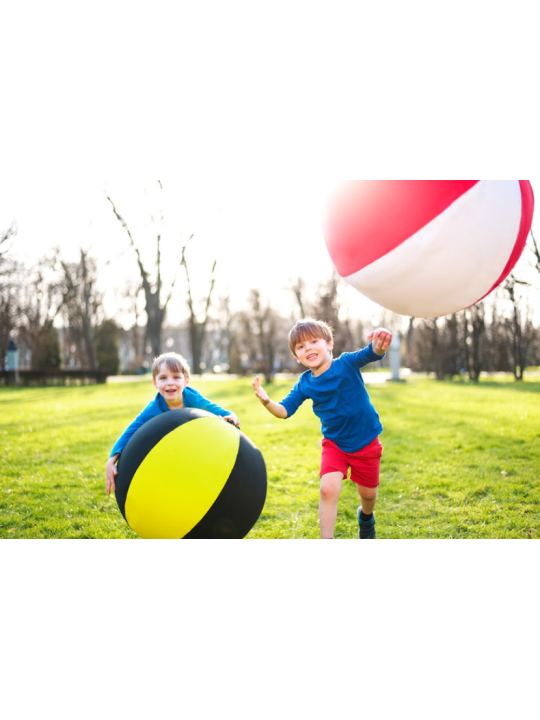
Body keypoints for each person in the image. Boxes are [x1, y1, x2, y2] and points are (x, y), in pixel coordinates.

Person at [252, 319, 392, 539]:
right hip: (335, 444)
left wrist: (380, 343)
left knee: (368, 495)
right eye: (300, 346)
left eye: (313, 341)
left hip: (366, 441)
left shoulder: (346, 363)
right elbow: (285, 410)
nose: (308, 347)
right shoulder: (305, 383)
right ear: (297, 357)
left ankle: (366, 517)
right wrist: (267, 402)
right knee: (327, 489)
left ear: (329, 344)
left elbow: (371, 353)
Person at [106, 352, 239, 495]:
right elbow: (130, 432)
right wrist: (111, 460)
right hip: (170, 454)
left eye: (176, 377)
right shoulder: (153, 409)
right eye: (163, 378)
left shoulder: (193, 398)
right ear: (155, 383)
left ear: (186, 381)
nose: (170, 383)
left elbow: (216, 410)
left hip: (195, 448)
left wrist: (231, 415)